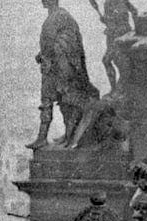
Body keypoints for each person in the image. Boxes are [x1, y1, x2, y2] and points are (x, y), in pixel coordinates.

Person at [26, 0, 100, 150]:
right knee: (60, 102)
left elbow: (55, 43)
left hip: (58, 68)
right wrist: (42, 54)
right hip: (56, 66)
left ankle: (47, 137)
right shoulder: (58, 16)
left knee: (53, 101)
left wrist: (45, 55)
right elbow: (51, 43)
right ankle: (65, 135)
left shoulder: (58, 16)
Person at [98, 0, 138, 94]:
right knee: (108, 61)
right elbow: (110, 21)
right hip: (112, 36)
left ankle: (119, 89)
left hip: (121, 36)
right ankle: (115, 89)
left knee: (119, 63)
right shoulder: (107, 3)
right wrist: (105, 19)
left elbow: (134, 11)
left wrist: (137, 28)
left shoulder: (123, 1)